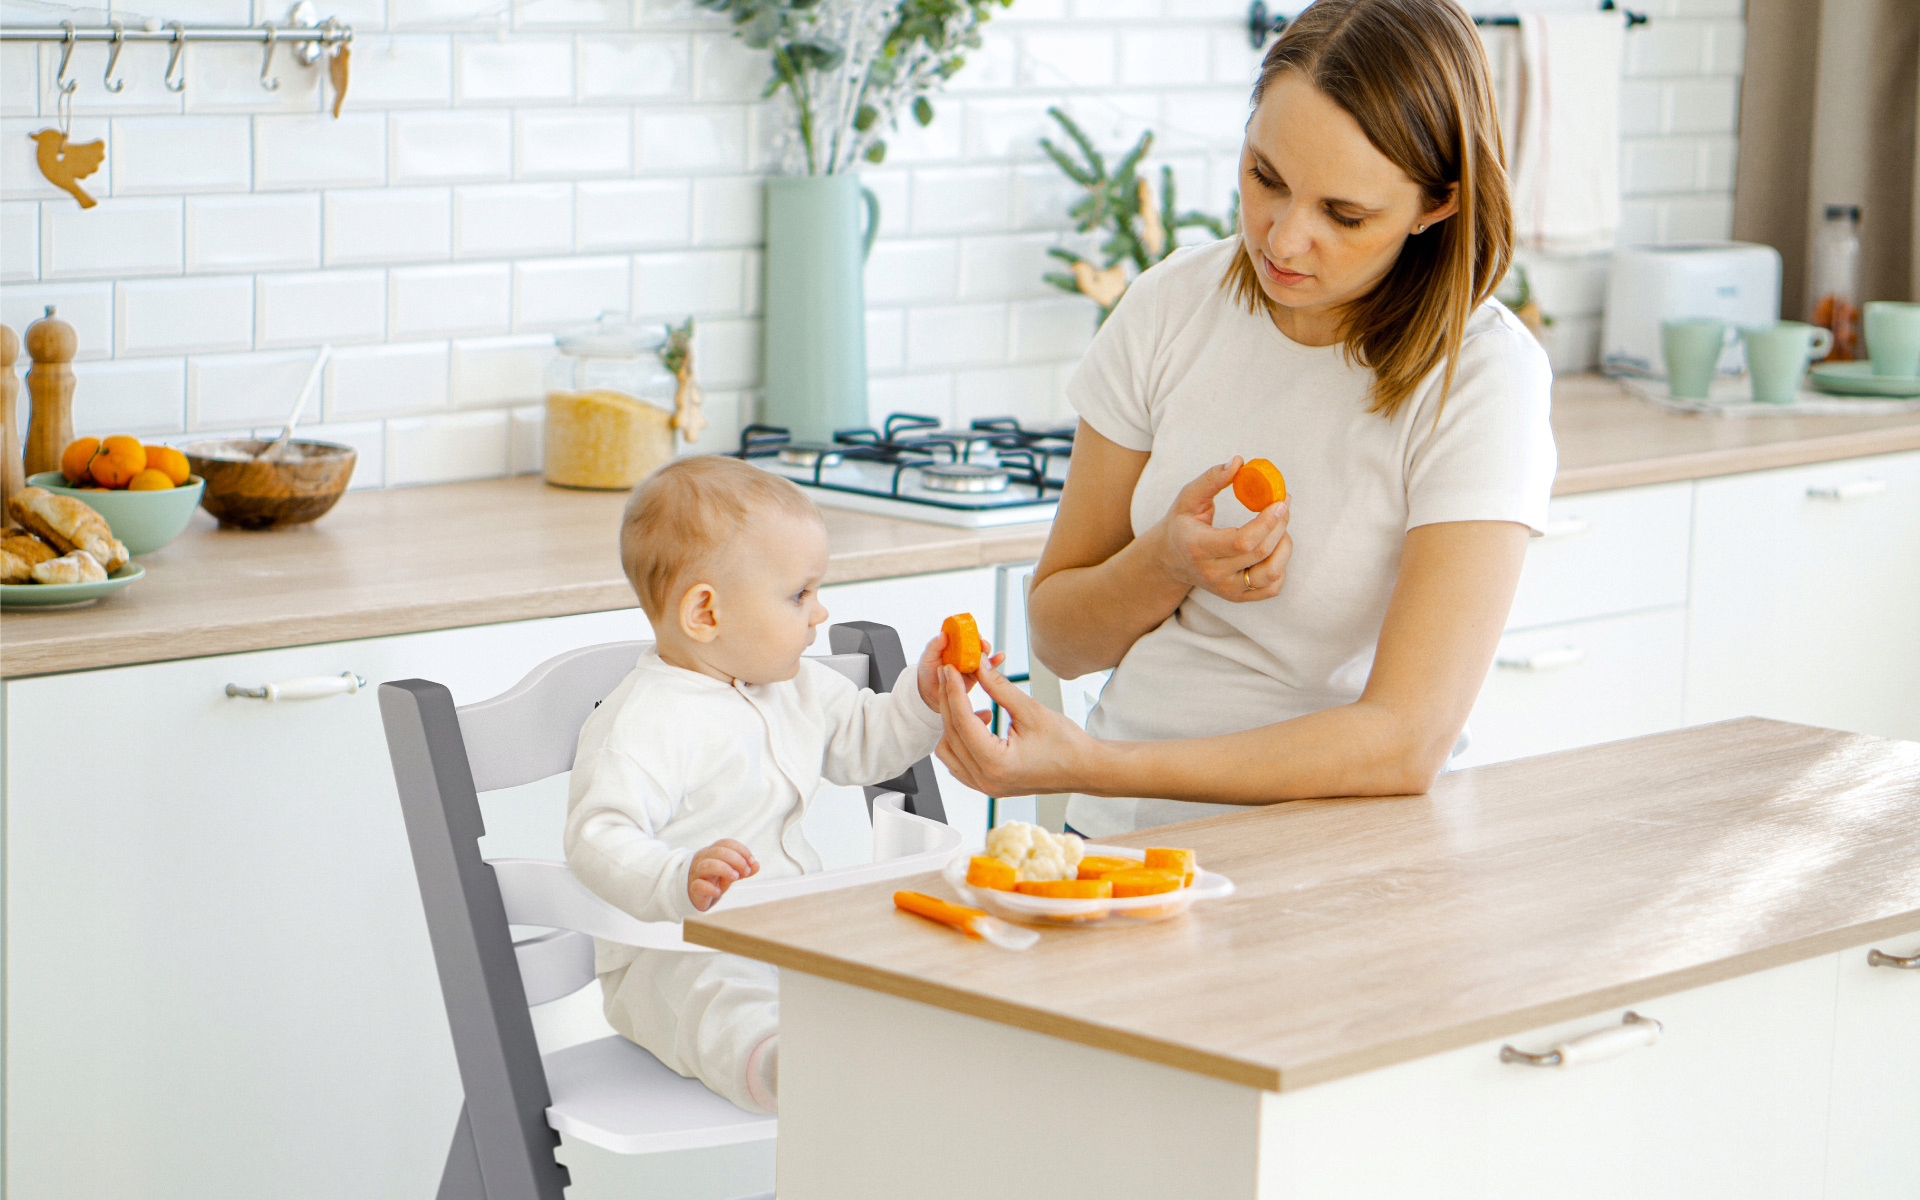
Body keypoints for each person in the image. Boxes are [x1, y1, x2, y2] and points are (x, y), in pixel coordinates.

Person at [935, 0, 1556, 835]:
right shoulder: (1170, 306)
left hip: (1338, 857)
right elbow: (1060, 639)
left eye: (1344, 215)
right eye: (1266, 177)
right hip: (1120, 840)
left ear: (1437, 205)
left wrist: (1099, 766)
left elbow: (1403, 742)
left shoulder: (1480, 376)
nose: (1284, 240)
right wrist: (1165, 562)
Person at [564, 455, 990, 1112]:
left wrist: (924, 699)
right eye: (799, 595)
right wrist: (677, 876)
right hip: (678, 942)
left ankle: (882, 1057)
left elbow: (868, 742)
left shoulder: (797, 684)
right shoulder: (645, 720)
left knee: (873, 959)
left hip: (789, 924)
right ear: (706, 613)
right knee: (721, 992)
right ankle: (783, 1068)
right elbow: (597, 836)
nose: (820, 613)